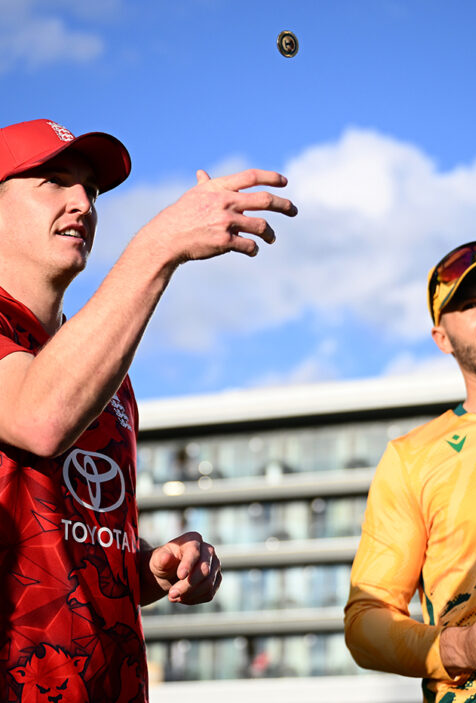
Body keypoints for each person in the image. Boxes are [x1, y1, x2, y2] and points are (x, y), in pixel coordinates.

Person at [0, 118, 297, 702]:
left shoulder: (106, 370)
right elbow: (38, 417)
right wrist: (161, 244)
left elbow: (70, 536)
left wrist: (151, 566)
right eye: (55, 181)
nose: (83, 203)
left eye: (91, 189)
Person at [344, 240, 476, 702]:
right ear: (441, 338)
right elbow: (365, 623)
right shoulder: (412, 458)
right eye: (469, 304)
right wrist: (460, 647)